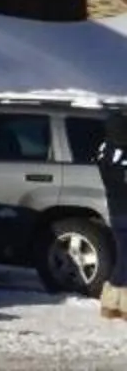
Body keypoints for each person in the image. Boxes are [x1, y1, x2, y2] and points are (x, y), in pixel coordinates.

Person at [97, 111, 127, 321]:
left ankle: (111, 302)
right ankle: (119, 303)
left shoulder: (104, 151)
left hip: (117, 210)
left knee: (123, 257)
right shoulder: (121, 156)